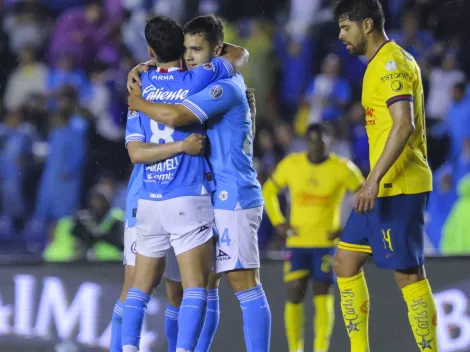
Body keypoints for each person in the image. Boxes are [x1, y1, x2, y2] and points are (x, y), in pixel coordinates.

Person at [127, 15, 271, 352]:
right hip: (210, 192)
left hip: (233, 193)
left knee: (244, 283)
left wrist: (138, 100)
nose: (189, 56)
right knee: (205, 284)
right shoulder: (202, 80)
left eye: (197, 49)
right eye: (185, 49)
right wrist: (146, 65)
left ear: (216, 50)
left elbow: (177, 116)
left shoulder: (222, 85)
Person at [333, 1, 437, 351]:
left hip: (398, 186)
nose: (340, 35)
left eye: (345, 27)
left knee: (408, 275)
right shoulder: (380, 63)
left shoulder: (390, 63)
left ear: (366, 25)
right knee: (344, 262)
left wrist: (372, 179)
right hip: (382, 186)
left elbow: (403, 124)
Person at [262, 123, 364, 352]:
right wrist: (279, 223)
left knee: (322, 293)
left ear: (330, 143)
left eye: (321, 142)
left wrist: (349, 227)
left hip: (326, 244)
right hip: (297, 242)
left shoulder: (342, 168)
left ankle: (320, 348)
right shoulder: (292, 164)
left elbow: (364, 195)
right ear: (306, 142)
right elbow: (268, 191)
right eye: (312, 141)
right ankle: (295, 348)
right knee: (294, 292)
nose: (316, 146)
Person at [109, 132, 205, 351]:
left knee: (178, 290)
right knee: (135, 284)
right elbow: (136, 151)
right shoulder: (144, 102)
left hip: (183, 195)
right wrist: (181, 146)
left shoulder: (188, 100)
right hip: (146, 197)